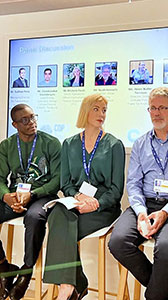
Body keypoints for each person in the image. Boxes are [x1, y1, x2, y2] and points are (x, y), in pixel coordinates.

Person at [109, 87, 168, 300]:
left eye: (162, 108)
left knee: (167, 248)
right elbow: (133, 184)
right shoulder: (141, 143)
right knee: (118, 242)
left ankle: (155, 294)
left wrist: (165, 213)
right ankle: (163, 290)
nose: (156, 113)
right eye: (153, 108)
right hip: (145, 204)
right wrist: (141, 213)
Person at [43, 94, 125, 300]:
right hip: (77, 203)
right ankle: (71, 285)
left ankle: (71, 286)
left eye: (104, 110)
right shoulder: (69, 144)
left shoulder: (114, 145)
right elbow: (65, 183)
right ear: (85, 111)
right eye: (96, 109)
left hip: (103, 209)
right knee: (56, 212)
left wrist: (95, 203)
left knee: (61, 230)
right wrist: (76, 195)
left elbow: (116, 190)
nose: (101, 114)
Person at [0, 104, 61, 300]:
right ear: (15, 124)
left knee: (35, 218)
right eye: (25, 120)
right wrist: (5, 196)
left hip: (43, 195)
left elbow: (58, 179)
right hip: (15, 195)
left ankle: (26, 272)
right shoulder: (7, 146)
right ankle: (3, 266)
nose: (32, 123)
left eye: (33, 117)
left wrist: (33, 194)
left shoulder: (51, 143)